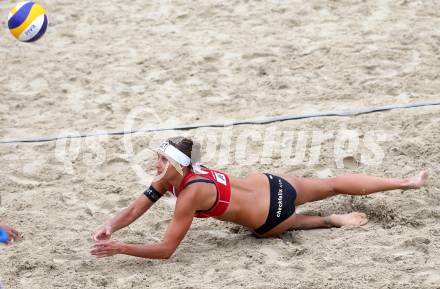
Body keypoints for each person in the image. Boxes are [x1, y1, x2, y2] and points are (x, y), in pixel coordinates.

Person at [91, 137, 429, 259]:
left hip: (271, 216)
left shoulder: (188, 196)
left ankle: (329, 220)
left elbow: (166, 250)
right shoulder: (182, 175)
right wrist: (112, 226)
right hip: (274, 184)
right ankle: (405, 182)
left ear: (177, 168)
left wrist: (120, 247)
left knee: (266, 229)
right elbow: (137, 207)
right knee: (334, 184)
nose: (157, 164)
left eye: (163, 160)